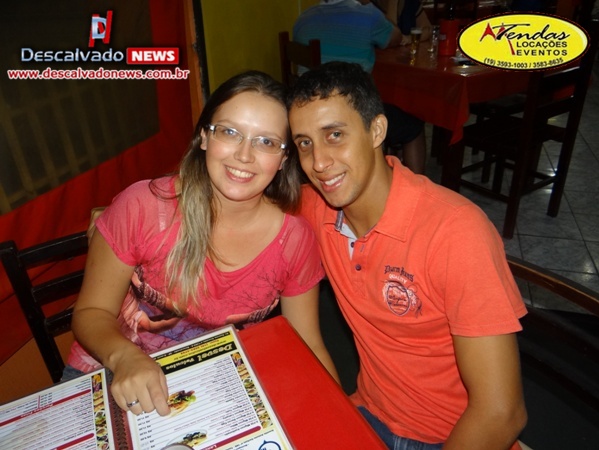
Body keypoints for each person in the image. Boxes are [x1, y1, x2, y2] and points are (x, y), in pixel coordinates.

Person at [68, 70, 339, 416]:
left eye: (266, 142)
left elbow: (308, 344)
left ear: (284, 158)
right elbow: (91, 313)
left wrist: (340, 416)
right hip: (108, 368)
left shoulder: (294, 240)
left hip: (212, 384)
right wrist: (124, 357)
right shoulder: (143, 207)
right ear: (204, 137)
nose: (244, 155)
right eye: (230, 132)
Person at [287, 61, 528, 449]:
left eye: (335, 135)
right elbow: (242, 202)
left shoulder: (455, 232)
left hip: (451, 437)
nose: (318, 162)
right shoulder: (318, 208)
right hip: (370, 413)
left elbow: (501, 413)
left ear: (377, 130)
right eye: (304, 143)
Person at [293, 0, 427, 174]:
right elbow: (397, 37)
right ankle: (415, 182)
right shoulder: (369, 15)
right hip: (349, 109)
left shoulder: (303, 18)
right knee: (414, 124)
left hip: (306, 109)